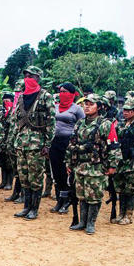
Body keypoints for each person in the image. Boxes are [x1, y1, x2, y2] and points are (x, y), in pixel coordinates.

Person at [66, 94, 122, 234]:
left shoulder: (105, 124)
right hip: (80, 166)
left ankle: (91, 223)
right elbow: (72, 143)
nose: (87, 106)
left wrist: (112, 165)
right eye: (86, 104)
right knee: (82, 195)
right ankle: (82, 222)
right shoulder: (80, 123)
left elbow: (114, 146)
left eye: (91, 104)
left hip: (96, 167)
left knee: (94, 196)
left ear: (99, 107)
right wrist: (69, 162)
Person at [13, 66, 56, 220]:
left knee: (35, 178)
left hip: (37, 144)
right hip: (21, 144)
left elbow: (51, 121)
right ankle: (26, 207)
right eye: (26, 76)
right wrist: (14, 140)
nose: (28, 78)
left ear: (38, 78)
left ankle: (34, 209)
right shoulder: (21, 97)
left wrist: (47, 144)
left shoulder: (45, 96)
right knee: (23, 177)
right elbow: (16, 120)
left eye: (31, 76)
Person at [49, 82, 84, 214]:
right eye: (60, 92)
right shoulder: (55, 106)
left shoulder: (77, 109)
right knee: (56, 172)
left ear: (72, 94)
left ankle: (68, 201)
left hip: (68, 143)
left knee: (66, 173)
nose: (62, 94)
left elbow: (82, 126)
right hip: (54, 142)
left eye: (65, 92)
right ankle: (59, 200)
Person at [5, 79, 25, 203]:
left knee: (23, 171)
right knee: (16, 170)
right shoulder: (15, 108)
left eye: (20, 92)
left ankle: (23, 195)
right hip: (13, 143)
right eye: (16, 92)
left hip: (22, 144)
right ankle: (16, 193)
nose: (17, 94)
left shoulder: (26, 106)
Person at [0, 91, 15, 190]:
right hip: (2, 141)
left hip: (10, 140)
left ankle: (9, 182)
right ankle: (3, 181)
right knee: (2, 162)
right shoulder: (1, 112)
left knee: (9, 163)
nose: (5, 103)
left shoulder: (14, 112)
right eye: (4, 101)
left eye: (7, 101)